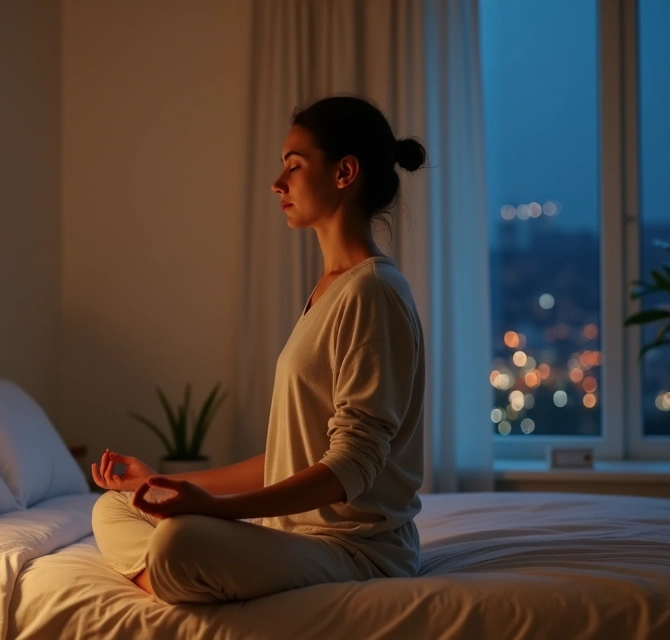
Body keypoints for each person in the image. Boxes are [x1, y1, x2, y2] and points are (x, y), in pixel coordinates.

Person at [90, 94, 427, 605]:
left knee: (181, 541)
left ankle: (175, 576)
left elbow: (352, 466)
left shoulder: (372, 291)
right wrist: (165, 481)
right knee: (114, 507)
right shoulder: (331, 289)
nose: (277, 183)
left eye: (294, 166)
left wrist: (219, 511)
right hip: (294, 539)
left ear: (344, 173)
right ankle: (176, 576)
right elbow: (292, 456)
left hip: (355, 550)